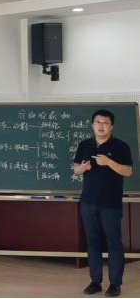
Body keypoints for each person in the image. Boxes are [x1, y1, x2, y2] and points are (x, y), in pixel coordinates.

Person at [73, 109, 134, 297]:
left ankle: (115, 284)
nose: (101, 126)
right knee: (93, 242)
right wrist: (82, 168)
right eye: (98, 122)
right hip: (88, 202)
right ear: (92, 125)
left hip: (110, 203)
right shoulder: (84, 145)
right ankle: (95, 281)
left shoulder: (121, 146)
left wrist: (108, 162)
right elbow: (76, 170)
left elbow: (128, 171)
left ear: (111, 126)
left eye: (105, 123)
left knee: (114, 242)